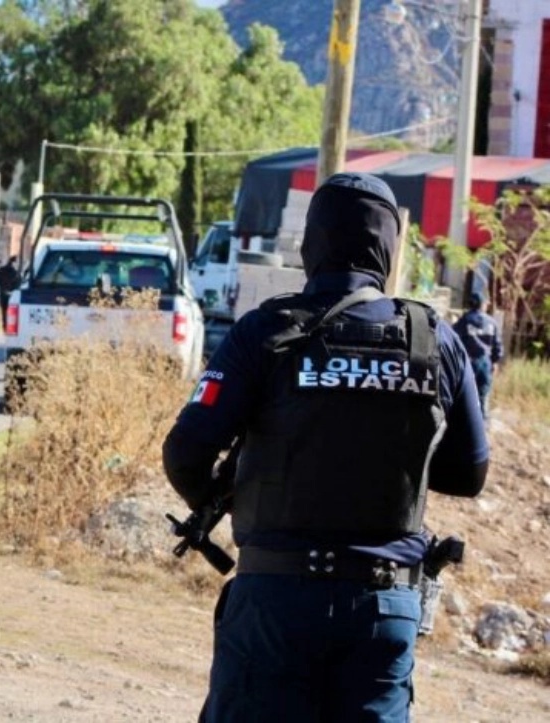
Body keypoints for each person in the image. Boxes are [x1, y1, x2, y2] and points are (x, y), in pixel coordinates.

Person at [162, 173, 489, 722]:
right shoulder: (432, 337)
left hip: (276, 603)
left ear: (311, 242)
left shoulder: (265, 331)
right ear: (389, 248)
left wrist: (231, 495)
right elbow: (468, 473)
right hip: (384, 607)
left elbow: (185, 454)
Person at [453, 291, 503, 418]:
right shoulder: (492, 322)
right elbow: (497, 345)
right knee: (483, 396)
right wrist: (495, 362)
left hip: (468, 362)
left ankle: (464, 426)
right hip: (486, 362)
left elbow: (453, 338)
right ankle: (481, 427)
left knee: (464, 396)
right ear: (481, 304)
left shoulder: (464, 320)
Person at [0, 255, 20, 324]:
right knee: (13, 312)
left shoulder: (2, 269)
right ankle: (9, 325)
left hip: (3, 293)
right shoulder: (15, 272)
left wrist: (2, 289)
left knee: (4, 311)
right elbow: (18, 282)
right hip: (12, 294)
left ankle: (5, 326)